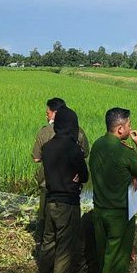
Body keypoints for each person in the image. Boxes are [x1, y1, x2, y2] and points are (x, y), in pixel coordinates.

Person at [89, 107, 137, 273]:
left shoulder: (97, 145)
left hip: (99, 213)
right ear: (121, 128)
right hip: (119, 217)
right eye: (129, 125)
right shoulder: (124, 151)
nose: (131, 128)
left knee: (105, 258)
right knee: (116, 264)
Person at [36, 106, 89, 273]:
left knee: (48, 245)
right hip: (68, 204)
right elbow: (83, 176)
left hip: (50, 203)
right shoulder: (73, 148)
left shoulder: (48, 147)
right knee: (65, 251)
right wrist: (75, 175)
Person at [32, 98, 89, 245]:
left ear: (55, 113)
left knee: (46, 216)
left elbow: (36, 158)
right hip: (71, 186)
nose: (47, 116)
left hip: (48, 182)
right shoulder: (79, 132)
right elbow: (85, 154)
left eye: (48, 113)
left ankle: (44, 244)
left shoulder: (44, 132)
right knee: (69, 223)